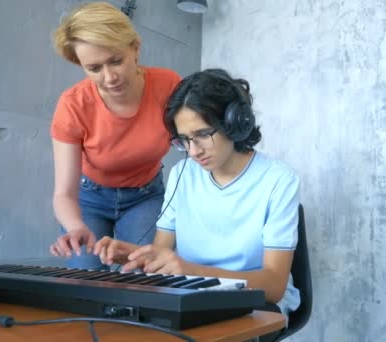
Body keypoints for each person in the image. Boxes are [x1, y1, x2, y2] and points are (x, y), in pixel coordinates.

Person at [93, 68, 301, 330]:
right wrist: (135, 255)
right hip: (190, 296)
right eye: (184, 140)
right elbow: (163, 253)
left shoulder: (279, 179)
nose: (193, 151)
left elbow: (273, 287)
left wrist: (191, 271)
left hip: (254, 302)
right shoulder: (183, 174)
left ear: (235, 122)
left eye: (203, 134)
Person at [48, 2, 181, 270]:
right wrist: (75, 227)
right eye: (94, 68)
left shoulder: (168, 86)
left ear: (135, 48)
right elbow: (63, 194)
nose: (109, 77)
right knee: (86, 279)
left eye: (116, 61)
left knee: (146, 274)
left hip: (146, 195)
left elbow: (195, 141)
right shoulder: (73, 105)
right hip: (91, 199)